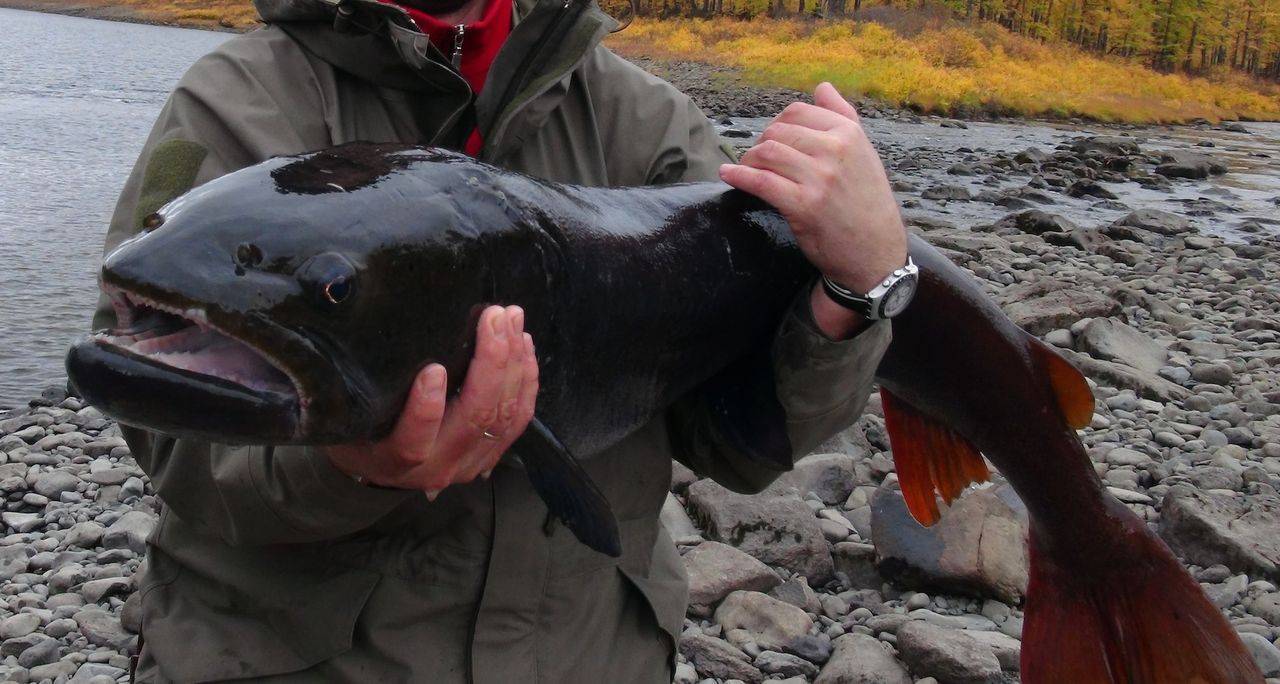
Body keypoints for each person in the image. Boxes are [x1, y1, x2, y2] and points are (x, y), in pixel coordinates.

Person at [94, 0, 909, 678]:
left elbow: (737, 446)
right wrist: (351, 470)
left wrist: (859, 291)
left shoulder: (649, 127)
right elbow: (160, 423)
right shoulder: (235, 99)